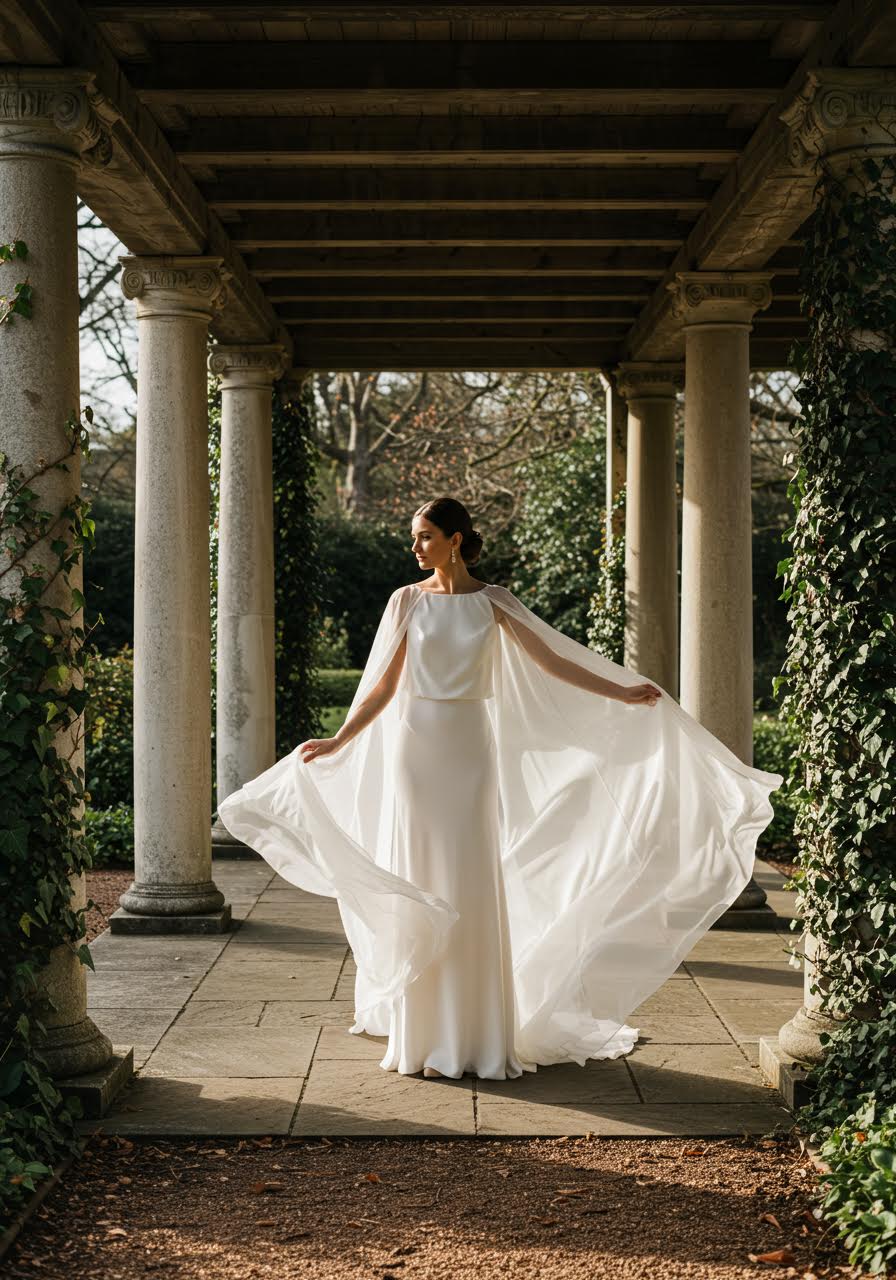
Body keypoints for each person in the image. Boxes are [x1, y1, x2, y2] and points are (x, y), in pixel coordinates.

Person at [218, 496, 783, 1082]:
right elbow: (383, 687)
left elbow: (552, 664)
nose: (415, 547)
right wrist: (338, 741)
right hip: (418, 751)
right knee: (422, 868)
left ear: (456, 539)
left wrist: (623, 693)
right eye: (414, 538)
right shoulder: (405, 602)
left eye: (425, 536)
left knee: (470, 877)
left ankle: (479, 1030)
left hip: (469, 750)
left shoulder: (495, 603)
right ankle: (426, 1028)